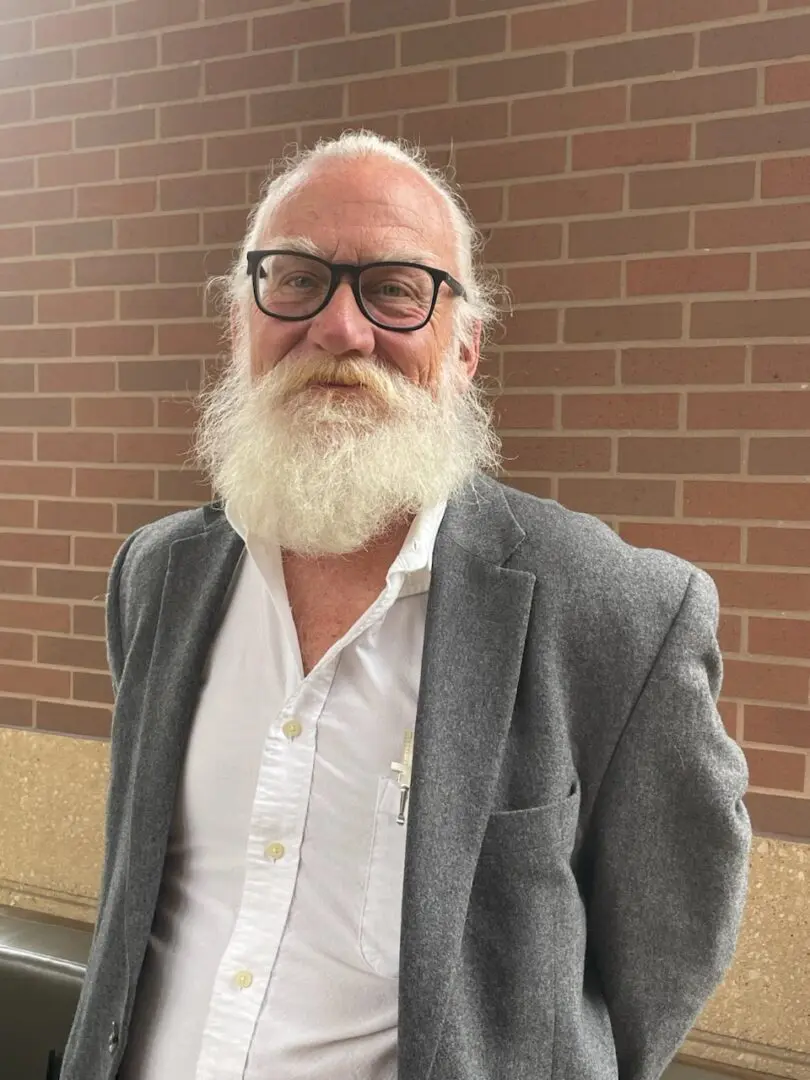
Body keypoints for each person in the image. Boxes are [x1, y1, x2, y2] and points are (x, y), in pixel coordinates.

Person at [60, 130, 751, 1080]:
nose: (339, 329)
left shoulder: (618, 613)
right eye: (296, 279)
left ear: (465, 346)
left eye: (393, 289)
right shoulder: (158, 576)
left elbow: (669, 949)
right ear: (241, 323)